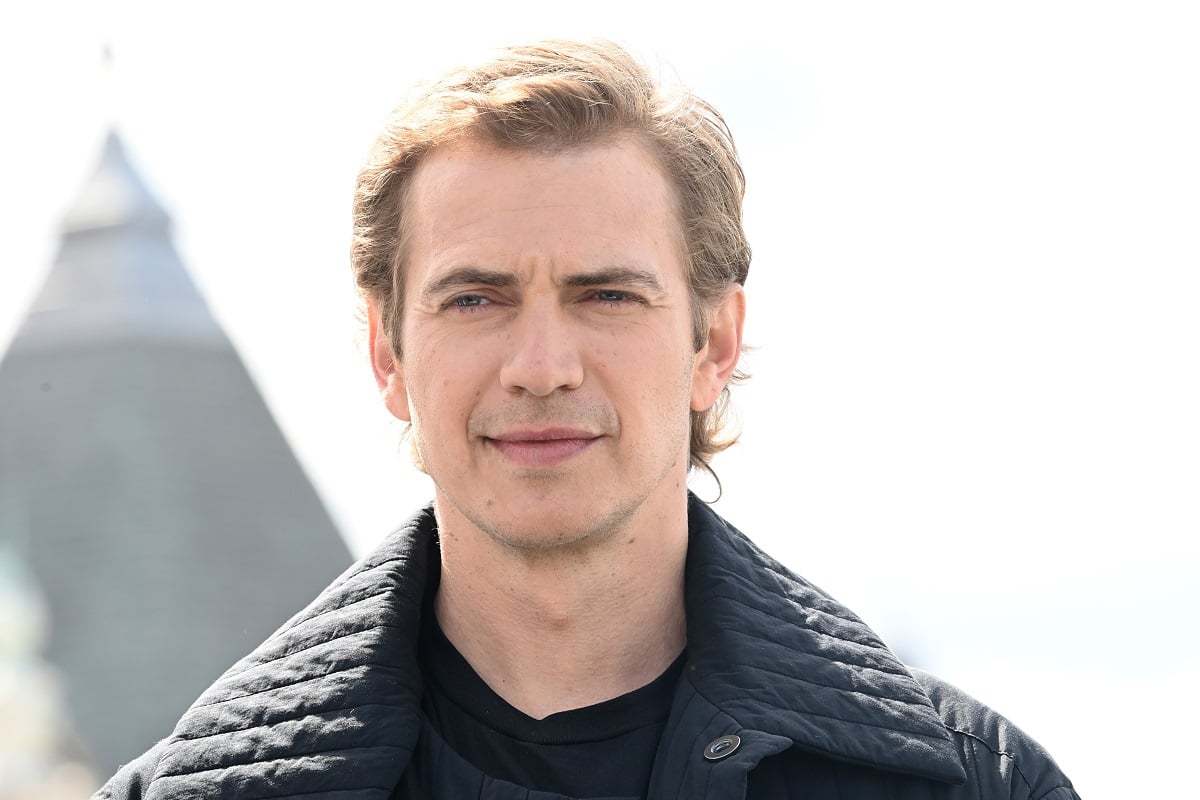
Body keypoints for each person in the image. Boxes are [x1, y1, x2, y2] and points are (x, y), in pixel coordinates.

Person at [95, 39, 1079, 800]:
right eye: (474, 298)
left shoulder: (978, 786)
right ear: (387, 355)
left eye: (606, 295)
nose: (541, 367)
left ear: (713, 344)